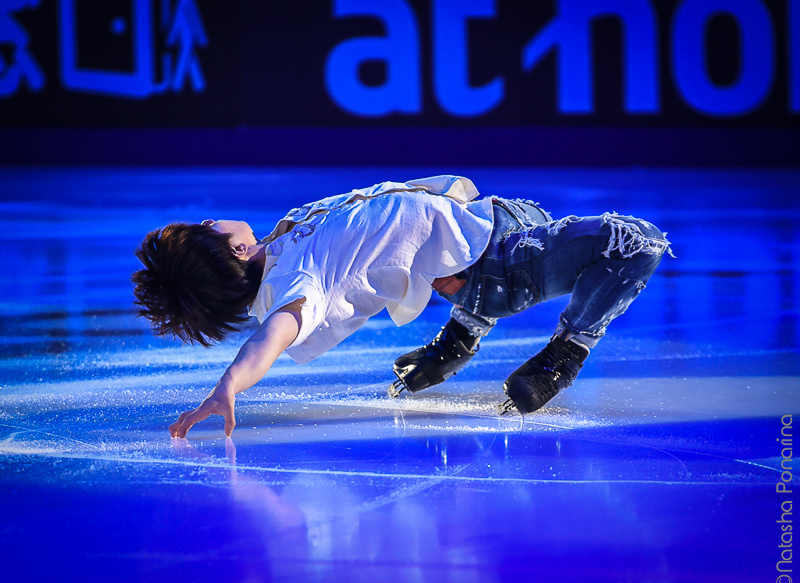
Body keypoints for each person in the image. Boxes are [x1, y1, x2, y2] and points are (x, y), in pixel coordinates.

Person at [131, 175, 673, 438]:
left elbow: (385, 211)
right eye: (205, 231)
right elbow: (274, 332)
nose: (209, 221)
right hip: (497, 264)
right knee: (635, 241)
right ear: (235, 251)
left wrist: (444, 191)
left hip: (491, 226)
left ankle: (457, 340)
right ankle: (565, 355)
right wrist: (229, 385)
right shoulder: (296, 280)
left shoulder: (283, 238)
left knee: (529, 215)